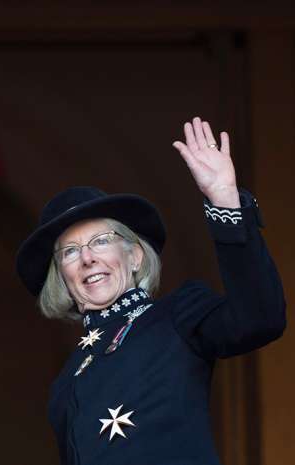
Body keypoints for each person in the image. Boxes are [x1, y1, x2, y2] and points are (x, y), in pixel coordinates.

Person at [16, 117, 286, 465]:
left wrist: (225, 203)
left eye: (101, 241)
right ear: (62, 276)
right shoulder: (67, 379)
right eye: (70, 252)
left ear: (133, 255)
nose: (87, 258)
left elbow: (261, 318)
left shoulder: (176, 316)